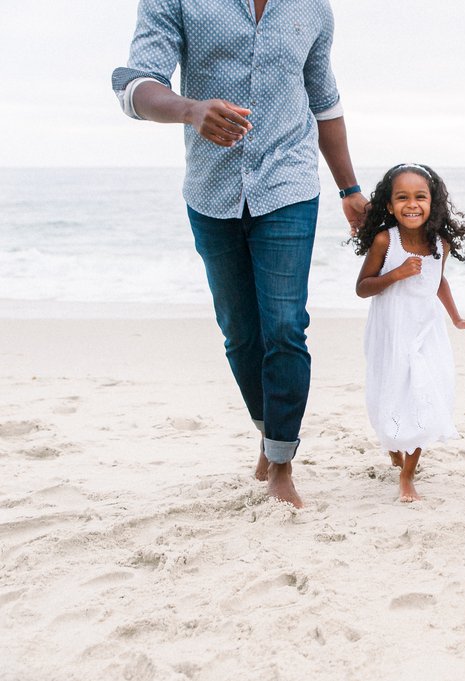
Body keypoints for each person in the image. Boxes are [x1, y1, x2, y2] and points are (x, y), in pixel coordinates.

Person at [111, 0, 368, 508]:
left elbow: (324, 100)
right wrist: (191, 109)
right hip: (211, 187)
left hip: (289, 184)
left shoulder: (312, 8)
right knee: (240, 332)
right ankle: (269, 432)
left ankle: (281, 462)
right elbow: (134, 86)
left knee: (285, 326)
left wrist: (349, 188)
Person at [353, 164, 465, 502]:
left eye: (420, 196)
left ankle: (408, 475)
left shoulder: (440, 243)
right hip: (390, 333)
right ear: (390, 205)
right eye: (402, 197)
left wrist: (456, 319)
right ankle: (394, 445)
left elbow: (439, 282)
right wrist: (396, 274)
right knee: (391, 394)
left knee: (426, 394)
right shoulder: (385, 240)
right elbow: (363, 288)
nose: (412, 204)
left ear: (432, 202)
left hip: (426, 332)